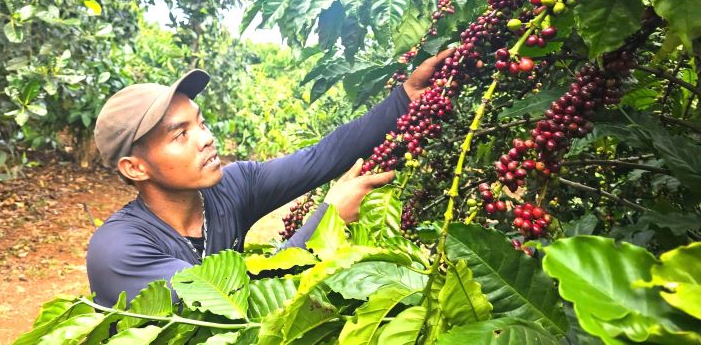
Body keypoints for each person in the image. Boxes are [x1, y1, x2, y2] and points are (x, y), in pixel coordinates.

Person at [86, 50, 449, 306]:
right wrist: (327, 221)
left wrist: (404, 99)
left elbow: (321, 157)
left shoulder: (233, 186)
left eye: (201, 122)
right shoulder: (118, 250)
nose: (206, 138)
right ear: (136, 168)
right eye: (180, 134)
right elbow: (237, 307)